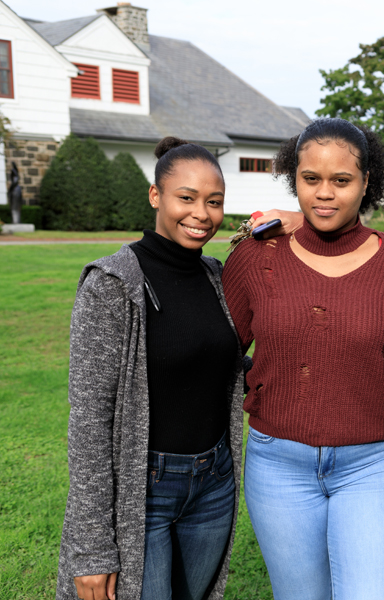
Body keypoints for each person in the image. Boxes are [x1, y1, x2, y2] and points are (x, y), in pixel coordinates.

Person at [222, 118, 384, 600]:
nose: (324, 194)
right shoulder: (257, 259)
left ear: (366, 185)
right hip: (278, 465)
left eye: (341, 180)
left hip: (371, 465)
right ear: (293, 179)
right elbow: (217, 350)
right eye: (310, 179)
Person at [56, 137, 247, 600]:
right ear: (155, 196)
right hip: (146, 490)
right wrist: (92, 550)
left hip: (214, 483)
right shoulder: (113, 284)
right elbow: (88, 424)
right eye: (186, 197)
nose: (201, 213)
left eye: (214, 202)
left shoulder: (219, 278)